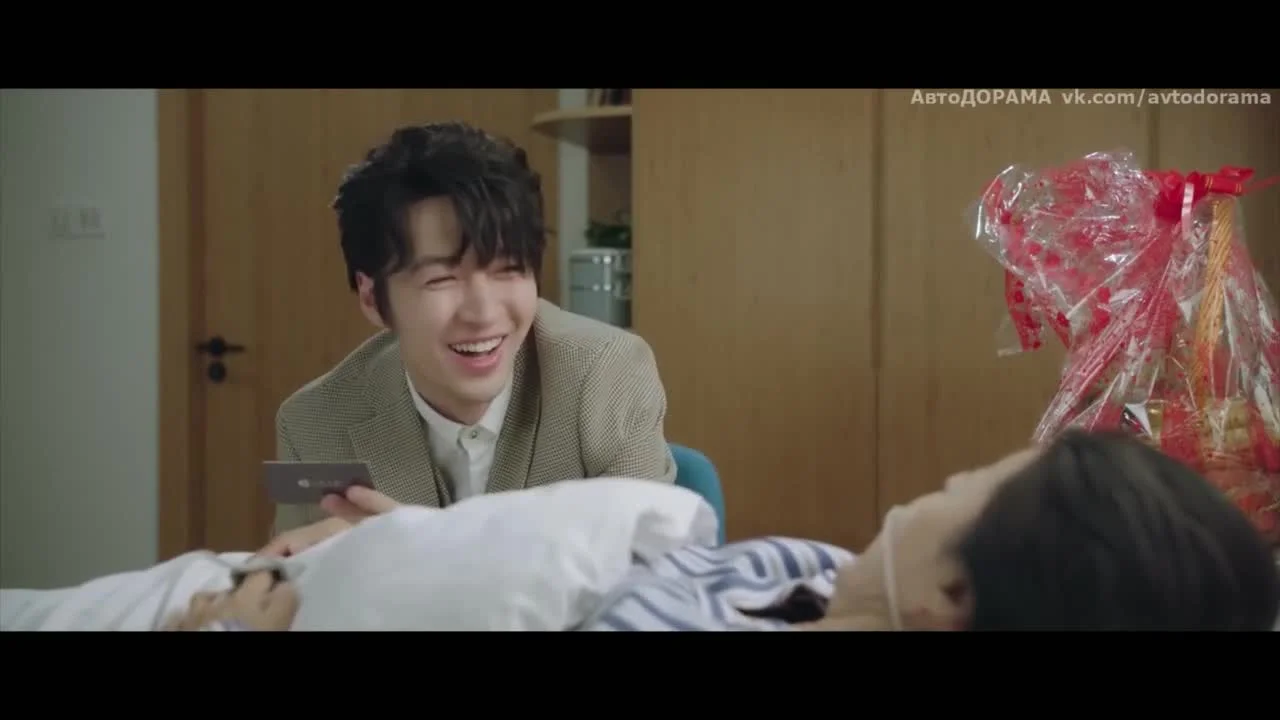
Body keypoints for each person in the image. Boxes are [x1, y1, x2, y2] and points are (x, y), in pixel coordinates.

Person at [162, 430, 1278, 632]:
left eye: (965, 483)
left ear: (950, 599)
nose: (934, 480)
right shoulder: (815, 572)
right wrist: (424, 540)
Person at [265, 121, 675, 554]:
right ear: (372, 298)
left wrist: (426, 555)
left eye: (508, 269)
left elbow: (649, 576)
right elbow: (297, 582)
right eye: (441, 279)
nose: (484, 314)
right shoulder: (314, 424)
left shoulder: (607, 376)